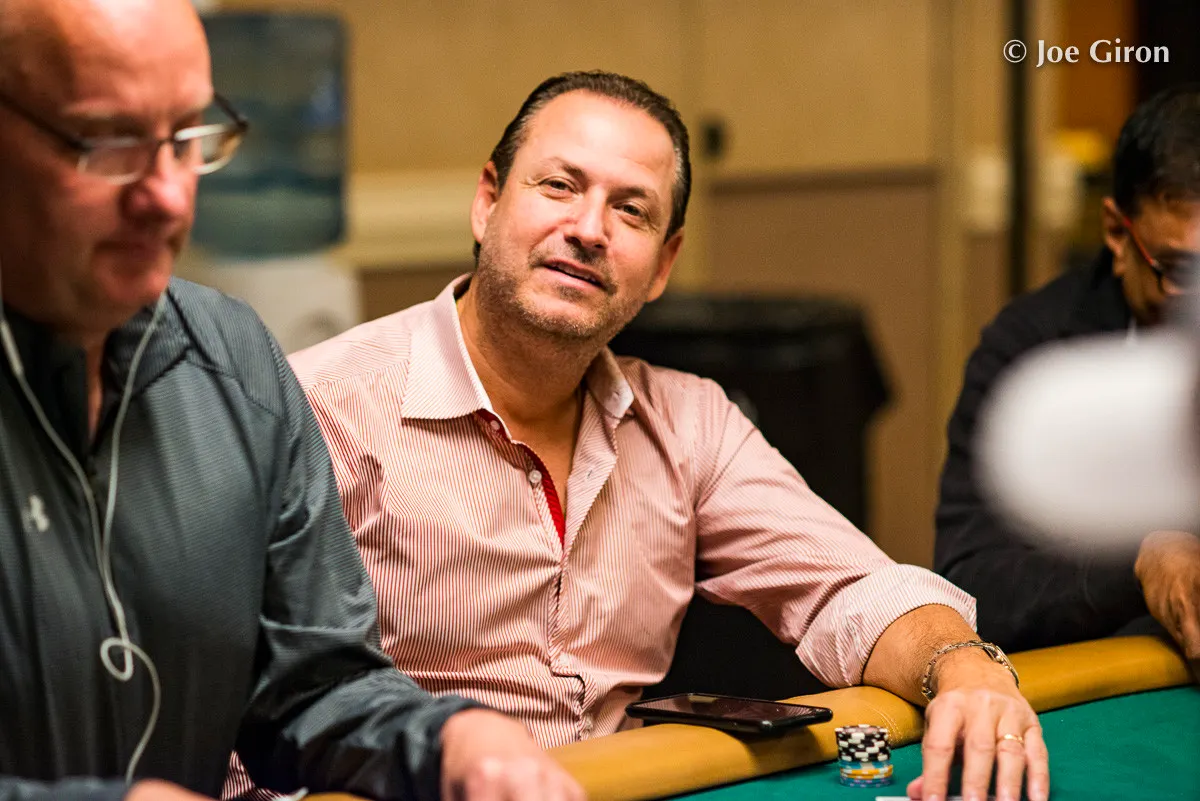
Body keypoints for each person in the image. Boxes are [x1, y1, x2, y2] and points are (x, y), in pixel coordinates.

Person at [288, 70, 1050, 801]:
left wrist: (964, 665)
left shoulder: (689, 422)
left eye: (632, 210)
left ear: (663, 263)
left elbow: (847, 587)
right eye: (559, 186)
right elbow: (259, 709)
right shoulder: (318, 407)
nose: (589, 229)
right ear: (487, 202)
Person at [0, 0, 583, 799]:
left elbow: (313, 686)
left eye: (187, 139)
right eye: (108, 144)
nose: (167, 196)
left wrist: (450, 738)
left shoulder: (233, 361)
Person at [935, 85, 1200, 665]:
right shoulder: (1033, 353)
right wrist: (1139, 559)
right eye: (1182, 271)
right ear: (1117, 234)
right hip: (1111, 684)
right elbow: (972, 584)